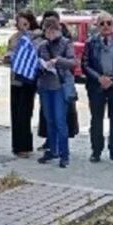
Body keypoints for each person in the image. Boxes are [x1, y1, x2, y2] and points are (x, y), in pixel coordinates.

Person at [82, 11, 113, 163]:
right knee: (96, 120)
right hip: (96, 86)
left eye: (108, 23)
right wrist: (99, 78)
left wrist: (112, 78)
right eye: (102, 23)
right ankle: (96, 151)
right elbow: (84, 64)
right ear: (97, 26)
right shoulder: (91, 43)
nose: (105, 26)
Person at [36, 16, 77, 168]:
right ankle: (52, 150)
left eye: (54, 30)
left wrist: (57, 61)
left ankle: (64, 154)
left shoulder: (66, 44)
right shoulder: (42, 46)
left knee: (60, 121)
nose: (51, 33)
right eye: (48, 31)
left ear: (59, 30)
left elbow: (73, 62)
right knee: (50, 120)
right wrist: (41, 66)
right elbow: (37, 63)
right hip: (45, 86)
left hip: (59, 86)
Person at [4, 9, 41, 158]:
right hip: (15, 79)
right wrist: (8, 57)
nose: (21, 25)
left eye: (24, 22)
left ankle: (25, 145)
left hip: (28, 79)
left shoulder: (36, 37)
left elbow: (36, 54)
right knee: (15, 112)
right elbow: (8, 54)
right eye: (19, 23)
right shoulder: (13, 38)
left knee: (25, 113)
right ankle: (16, 145)